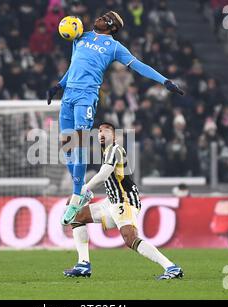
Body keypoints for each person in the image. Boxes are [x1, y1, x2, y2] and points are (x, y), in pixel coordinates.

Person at [46, 11, 184, 225]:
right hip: (69, 95)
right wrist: (58, 86)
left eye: (105, 18)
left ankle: (76, 197)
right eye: (100, 15)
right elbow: (74, 65)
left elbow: (139, 66)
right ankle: (83, 191)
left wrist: (165, 81)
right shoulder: (80, 35)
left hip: (86, 95)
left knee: (80, 142)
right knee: (66, 146)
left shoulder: (115, 47)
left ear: (112, 26)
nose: (99, 17)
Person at [63, 122, 183, 280]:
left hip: (125, 201)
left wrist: (82, 191)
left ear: (114, 136)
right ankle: (83, 265)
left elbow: (103, 175)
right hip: (111, 201)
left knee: (130, 239)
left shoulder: (115, 149)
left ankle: (171, 267)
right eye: (99, 131)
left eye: (106, 130)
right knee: (77, 217)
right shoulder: (105, 152)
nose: (101, 133)